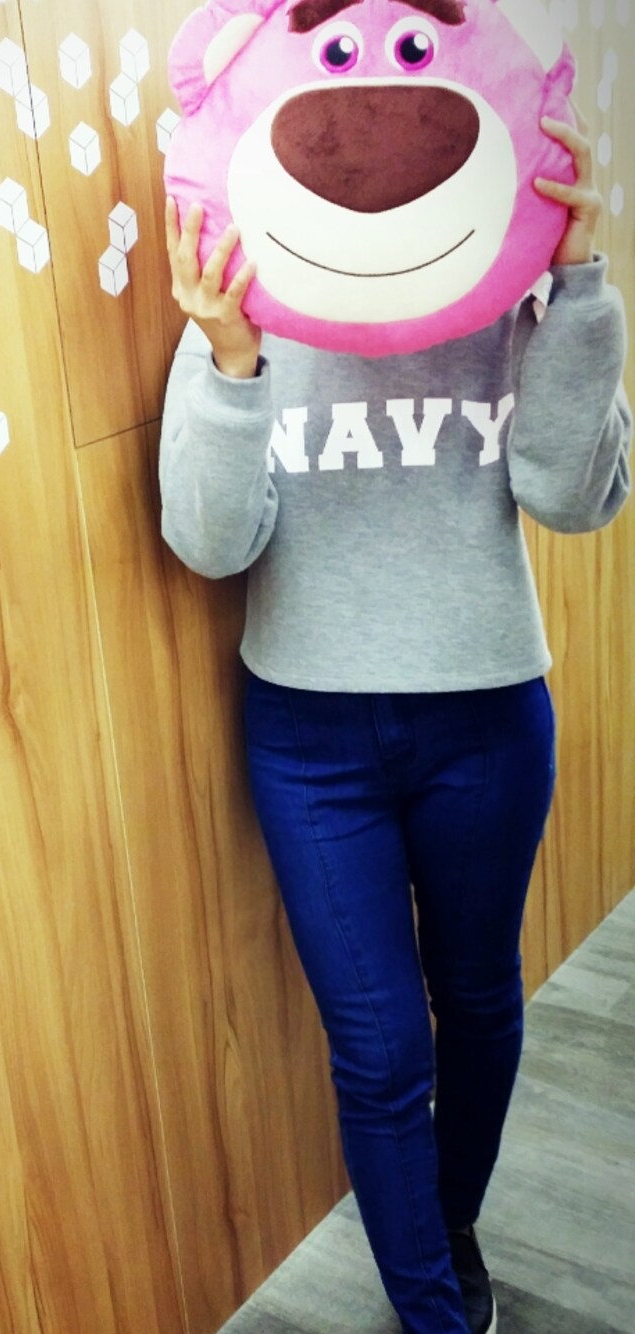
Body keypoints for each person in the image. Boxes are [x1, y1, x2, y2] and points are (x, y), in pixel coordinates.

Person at [159, 112, 631, 1334]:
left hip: (486, 721)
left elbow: (573, 498)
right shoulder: (243, 299)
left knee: (474, 997)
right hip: (309, 743)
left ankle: (445, 1227)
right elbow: (211, 541)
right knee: (377, 1050)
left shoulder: (504, 284)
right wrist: (231, 364)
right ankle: (431, 1307)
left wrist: (578, 288)